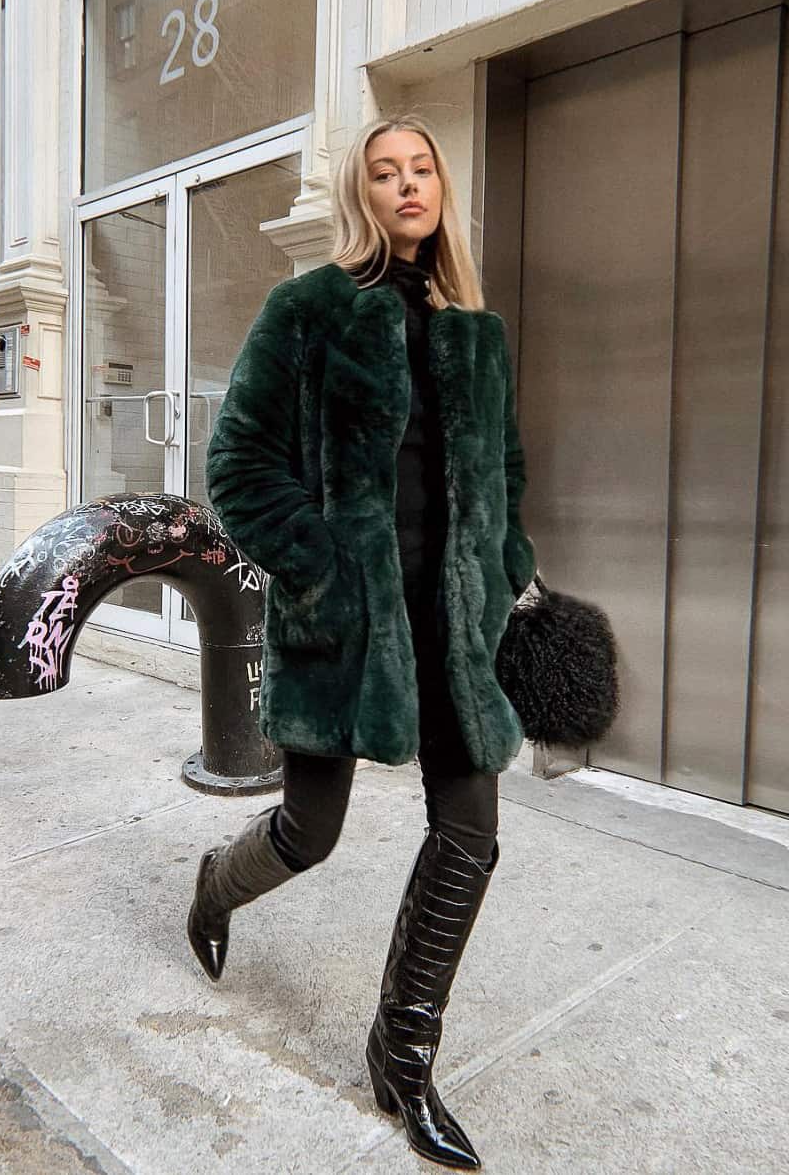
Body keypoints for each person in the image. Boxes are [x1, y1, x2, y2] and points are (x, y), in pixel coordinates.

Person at [190, 113, 537, 1171]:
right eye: (382, 173)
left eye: (419, 168)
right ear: (361, 195)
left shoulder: (474, 331)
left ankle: (403, 1056)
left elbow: (505, 472)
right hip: (346, 626)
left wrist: (506, 569)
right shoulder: (309, 311)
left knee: (469, 835)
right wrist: (319, 574)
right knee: (311, 831)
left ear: (439, 187)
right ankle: (216, 881)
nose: (404, 186)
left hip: (451, 627)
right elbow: (238, 460)